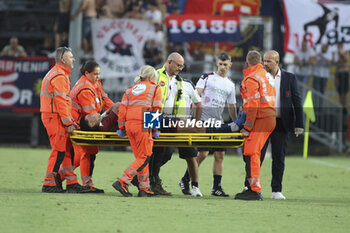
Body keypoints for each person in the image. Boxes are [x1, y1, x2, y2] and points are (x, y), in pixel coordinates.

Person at [148, 52, 201, 196]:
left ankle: (144, 178)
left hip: (171, 120)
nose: (180, 68)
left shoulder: (179, 81)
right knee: (156, 152)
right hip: (155, 117)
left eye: (182, 66)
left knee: (167, 153)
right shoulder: (156, 75)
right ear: (169, 62)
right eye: (178, 65)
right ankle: (151, 182)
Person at [40, 47, 89, 193]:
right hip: (54, 117)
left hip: (54, 116)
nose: (74, 59)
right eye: (71, 57)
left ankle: (71, 181)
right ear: (63, 59)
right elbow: (61, 102)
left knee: (66, 151)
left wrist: (69, 120)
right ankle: (49, 183)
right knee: (59, 151)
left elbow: (63, 102)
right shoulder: (60, 76)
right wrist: (68, 122)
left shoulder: (58, 74)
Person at [259, 50, 304, 200]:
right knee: (257, 156)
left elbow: (297, 101)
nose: (265, 64)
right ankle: (251, 186)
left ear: (277, 62)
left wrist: (299, 124)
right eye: (264, 61)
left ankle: (276, 190)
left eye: (268, 61)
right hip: (263, 122)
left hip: (281, 123)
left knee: (279, 157)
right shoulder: (259, 77)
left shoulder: (289, 78)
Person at [112, 65, 162, 197]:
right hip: (143, 125)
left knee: (140, 157)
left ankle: (144, 188)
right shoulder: (155, 88)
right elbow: (156, 108)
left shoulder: (130, 90)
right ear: (152, 77)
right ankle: (123, 181)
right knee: (144, 157)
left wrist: (121, 127)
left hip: (130, 125)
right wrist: (155, 129)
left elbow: (122, 110)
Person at [66, 60, 114, 193]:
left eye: (99, 74)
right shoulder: (85, 88)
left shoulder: (93, 82)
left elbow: (105, 99)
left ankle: (87, 184)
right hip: (78, 125)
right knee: (81, 155)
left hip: (84, 123)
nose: (98, 77)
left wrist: (115, 109)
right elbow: (91, 116)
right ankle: (58, 178)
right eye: (95, 74)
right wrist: (112, 116)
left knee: (89, 152)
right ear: (87, 73)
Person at [193, 52, 237, 197]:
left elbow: (231, 106)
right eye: (220, 64)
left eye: (225, 64)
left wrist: (236, 123)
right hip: (204, 120)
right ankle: (187, 178)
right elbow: (196, 93)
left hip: (218, 123)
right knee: (204, 153)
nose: (223, 67)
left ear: (230, 64)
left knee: (220, 155)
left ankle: (216, 187)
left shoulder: (230, 85)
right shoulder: (207, 77)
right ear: (216, 63)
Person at [234, 50, 276, 201]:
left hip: (261, 119)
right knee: (254, 152)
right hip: (269, 117)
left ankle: (254, 190)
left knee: (252, 152)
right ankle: (252, 188)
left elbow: (252, 104)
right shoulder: (266, 76)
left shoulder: (251, 79)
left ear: (247, 63)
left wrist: (247, 127)